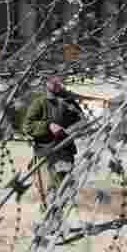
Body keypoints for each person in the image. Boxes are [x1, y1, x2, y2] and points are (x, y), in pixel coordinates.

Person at [22, 76, 85, 210]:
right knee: (48, 192)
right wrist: (48, 126)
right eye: (54, 82)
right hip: (46, 154)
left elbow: (83, 122)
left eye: (60, 82)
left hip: (65, 153)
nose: (58, 84)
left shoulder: (70, 103)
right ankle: (47, 222)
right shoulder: (40, 102)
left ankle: (57, 224)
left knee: (64, 189)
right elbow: (27, 126)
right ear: (47, 83)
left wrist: (69, 131)